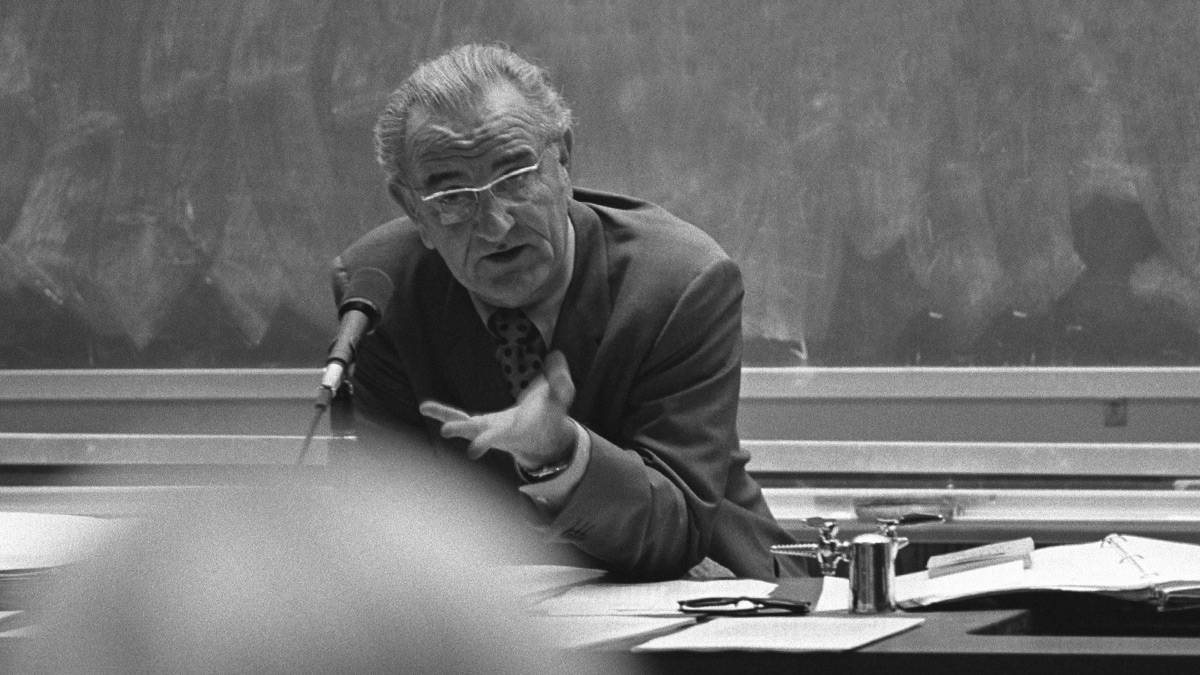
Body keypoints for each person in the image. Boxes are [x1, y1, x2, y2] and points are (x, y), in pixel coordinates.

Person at [333, 42, 802, 581]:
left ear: (563, 158)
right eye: (455, 197)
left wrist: (560, 454)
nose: (496, 225)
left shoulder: (680, 282)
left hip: (711, 595)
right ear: (411, 206)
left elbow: (676, 528)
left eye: (514, 177)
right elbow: (402, 519)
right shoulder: (381, 288)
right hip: (503, 618)